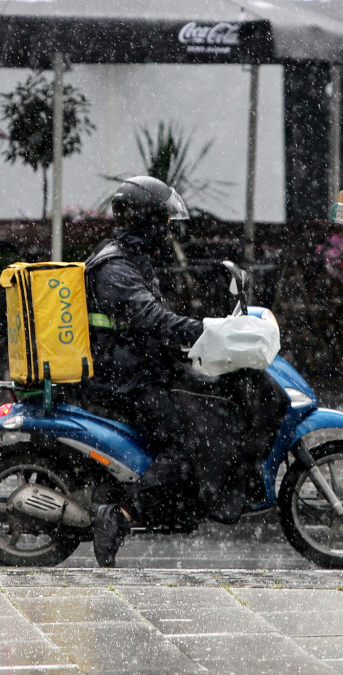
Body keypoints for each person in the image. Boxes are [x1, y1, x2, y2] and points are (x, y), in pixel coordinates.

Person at [79, 176, 204, 568]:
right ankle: (121, 515)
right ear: (147, 221)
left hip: (134, 367)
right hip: (123, 378)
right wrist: (203, 329)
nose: (169, 230)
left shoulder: (130, 257)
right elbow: (148, 317)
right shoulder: (115, 265)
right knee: (182, 446)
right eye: (164, 222)